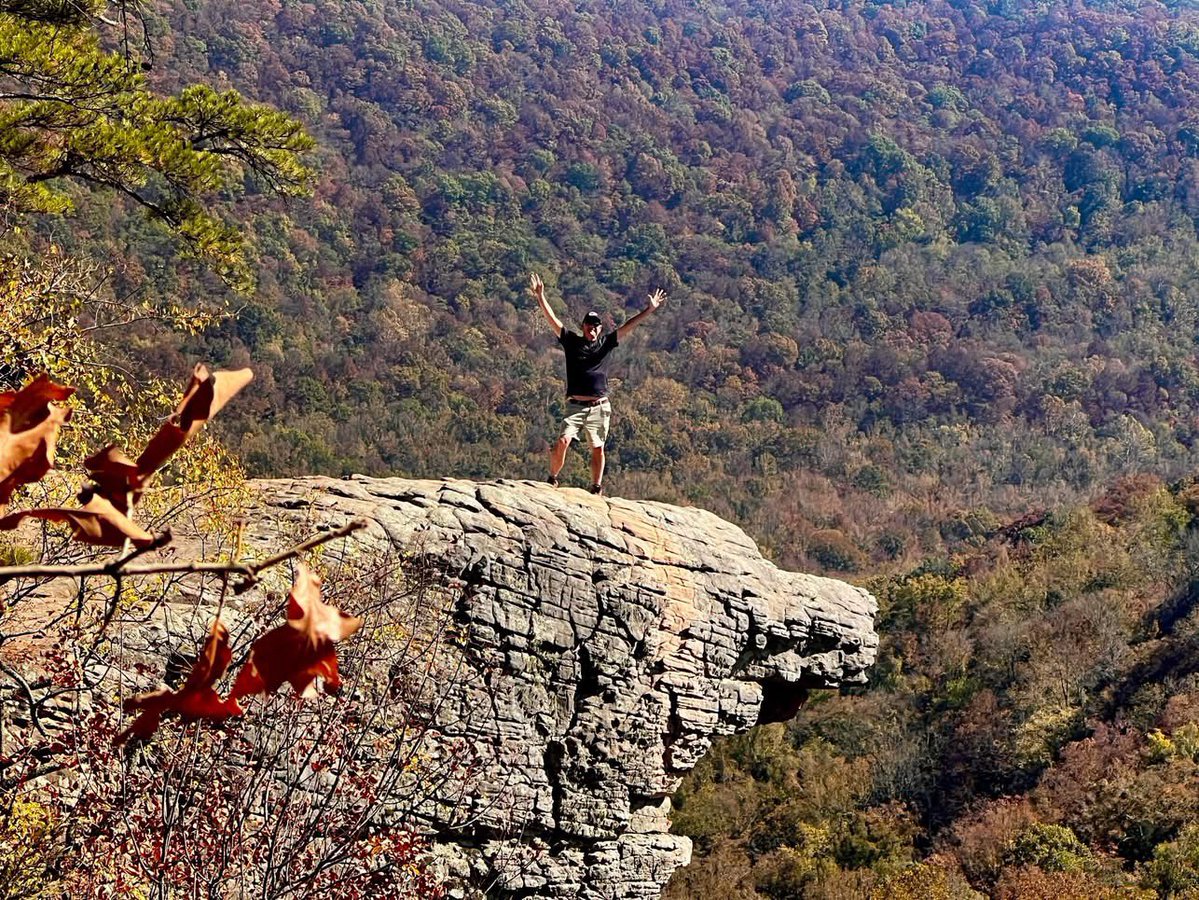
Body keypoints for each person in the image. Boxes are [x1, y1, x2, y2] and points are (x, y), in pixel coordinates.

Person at [529, 272, 666, 495]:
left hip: (599, 406)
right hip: (575, 405)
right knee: (563, 440)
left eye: (596, 326)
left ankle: (596, 487)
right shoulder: (571, 342)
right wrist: (540, 296)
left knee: (598, 447)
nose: (592, 329)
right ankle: (552, 479)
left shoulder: (605, 344)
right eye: (589, 326)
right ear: (582, 326)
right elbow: (552, 319)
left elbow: (628, 327)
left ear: (600, 329)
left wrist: (649, 310)